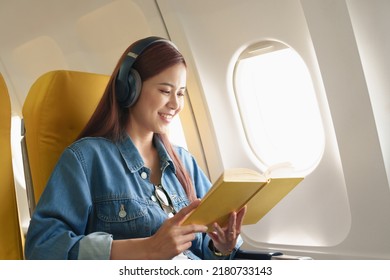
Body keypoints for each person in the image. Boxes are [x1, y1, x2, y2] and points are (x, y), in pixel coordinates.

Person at [24, 36, 247, 260]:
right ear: (129, 88)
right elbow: (43, 248)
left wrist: (221, 247)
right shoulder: (86, 159)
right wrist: (148, 249)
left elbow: (208, 245)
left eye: (180, 93)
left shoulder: (184, 162)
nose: (176, 104)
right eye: (164, 91)